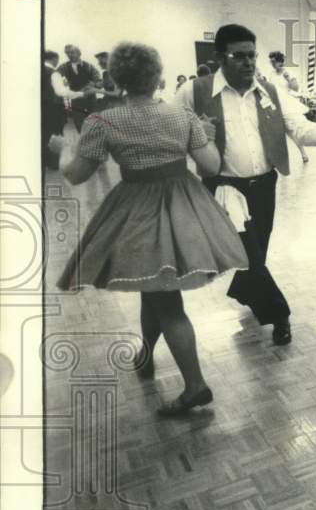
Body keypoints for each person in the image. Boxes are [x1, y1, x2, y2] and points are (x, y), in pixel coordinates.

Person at [48, 41, 248, 416]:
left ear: (117, 79)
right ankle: (146, 352)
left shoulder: (102, 122)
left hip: (137, 209)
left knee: (166, 299)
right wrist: (203, 134)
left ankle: (195, 386)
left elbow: (76, 175)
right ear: (157, 76)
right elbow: (209, 166)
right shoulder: (182, 116)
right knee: (153, 287)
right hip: (184, 205)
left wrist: (62, 150)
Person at [175, 23, 316, 346]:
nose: (248, 62)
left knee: (256, 253)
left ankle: (244, 290)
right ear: (220, 57)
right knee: (250, 255)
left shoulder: (271, 91)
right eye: (239, 56)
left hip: (265, 185)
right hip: (224, 187)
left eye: (252, 55)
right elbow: (170, 132)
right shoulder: (194, 91)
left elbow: (300, 128)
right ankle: (279, 315)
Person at [264, 50, 309, 164]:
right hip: (274, 105)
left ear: (280, 61)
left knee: (291, 131)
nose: (273, 64)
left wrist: (288, 78)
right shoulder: (271, 74)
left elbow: (296, 88)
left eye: (274, 62)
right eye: (271, 62)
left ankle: (303, 153)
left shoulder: (289, 72)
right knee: (275, 133)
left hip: (286, 105)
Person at [42, 51, 79, 170]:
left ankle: (45, 161)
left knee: (43, 136)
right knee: (55, 136)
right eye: (57, 60)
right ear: (53, 59)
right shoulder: (53, 72)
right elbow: (60, 92)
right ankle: (52, 163)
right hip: (53, 110)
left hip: (41, 110)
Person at [57, 44, 101, 131]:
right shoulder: (63, 67)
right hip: (76, 99)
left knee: (94, 122)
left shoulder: (89, 66)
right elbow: (55, 78)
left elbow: (98, 80)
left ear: (78, 53)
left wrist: (93, 84)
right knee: (79, 124)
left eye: (72, 52)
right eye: (67, 53)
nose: (70, 55)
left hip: (90, 99)